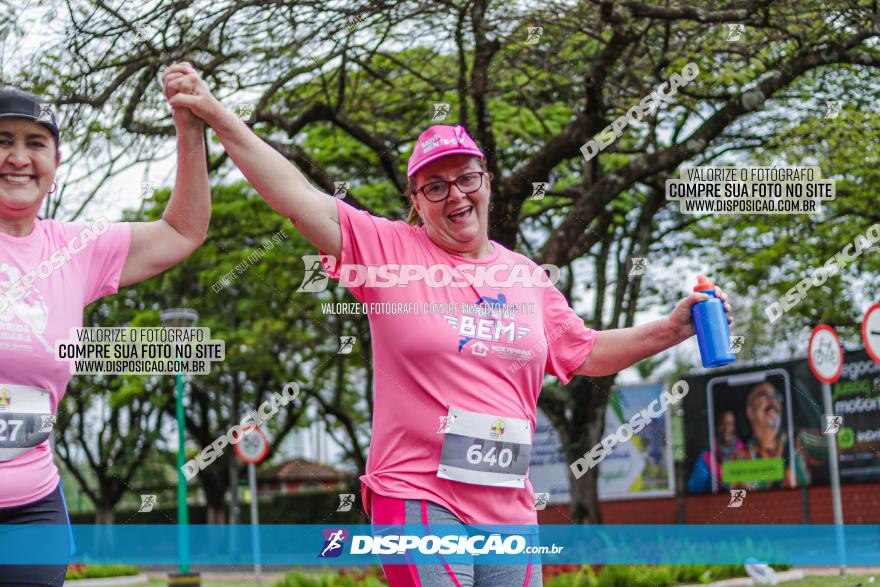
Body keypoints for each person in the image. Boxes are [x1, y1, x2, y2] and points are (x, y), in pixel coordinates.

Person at [161, 62, 734, 587]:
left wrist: (674, 327)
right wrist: (216, 114)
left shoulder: (527, 278)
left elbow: (586, 353)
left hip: (509, 503)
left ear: (486, 181)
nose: (454, 194)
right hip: (417, 494)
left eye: (465, 178)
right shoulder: (388, 250)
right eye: (435, 186)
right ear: (417, 200)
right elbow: (293, 195)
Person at [0, 69, 211, 586]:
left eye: (35, 143)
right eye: (2, 141)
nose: (18, 157)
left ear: (55, 161)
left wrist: (189, 128)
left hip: (31, 507)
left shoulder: (76, 250)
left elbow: (182, 231)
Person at [733, 381, 810, 489]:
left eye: (776, 396)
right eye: (764, 396)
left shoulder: (798, 441)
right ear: (750, 412)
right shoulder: (741, 458)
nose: (773, 400)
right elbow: (739, 500)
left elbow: (831, 447)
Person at [687, 410, 744, 493]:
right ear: (717, 426)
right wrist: (716, 481)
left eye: (730, 424)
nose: (726, 428)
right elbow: (694, 488)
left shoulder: (744, 451)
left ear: (735, 427)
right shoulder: (707, 454)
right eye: (723, 423)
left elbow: (755, 482)